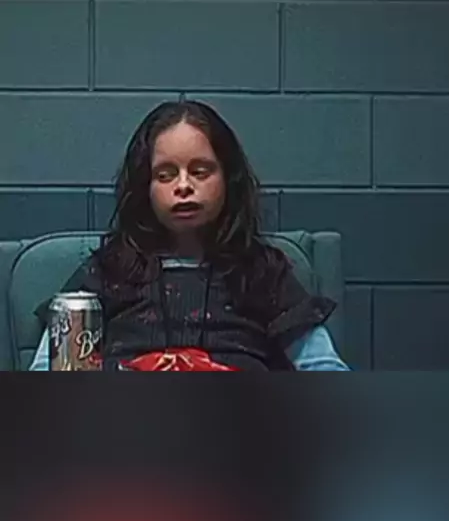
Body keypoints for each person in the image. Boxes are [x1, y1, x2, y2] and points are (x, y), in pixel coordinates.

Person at [30, 101, 349, 372]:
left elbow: (324, 368)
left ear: (228, 179)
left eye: (200, 172)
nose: (183, 186)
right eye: (165, 175)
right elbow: (46, 372)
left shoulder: (263, 273)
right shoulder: (107, 272)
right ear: (145, 188)